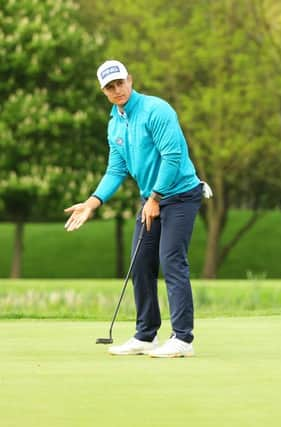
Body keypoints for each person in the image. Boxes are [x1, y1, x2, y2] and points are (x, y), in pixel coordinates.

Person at [64, 60, 211, 358]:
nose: (117, 90)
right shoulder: (114, 123)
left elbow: (172, 157)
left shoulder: (156, 110)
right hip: (153, 199)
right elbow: (116, 170)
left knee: (171, 260)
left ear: (130, 79)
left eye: (120, 83)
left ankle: (183, 338)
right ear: (103, 91)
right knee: (141, 263)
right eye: (109, 87)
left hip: (181, 194)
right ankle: (146, 335)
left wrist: (155, 198)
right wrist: (93, 202)